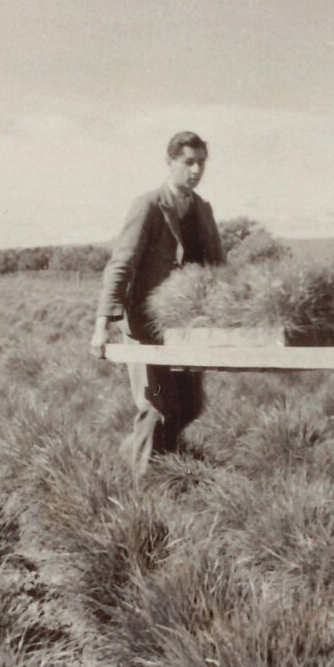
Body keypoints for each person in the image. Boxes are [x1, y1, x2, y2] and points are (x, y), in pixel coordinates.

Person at [89, 131, 225, 471]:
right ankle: (144, 489)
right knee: (156, 405)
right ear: (170, 163)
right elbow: (121, 264)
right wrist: (102, 325)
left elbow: (218, 267)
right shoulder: (149, 205)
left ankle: (142, 457)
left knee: (191, 405)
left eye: (201, 163)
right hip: (146, 324)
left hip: (187, 326)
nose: (195, 171)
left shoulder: (203, 210)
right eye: (188, 162)